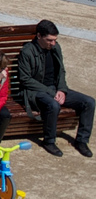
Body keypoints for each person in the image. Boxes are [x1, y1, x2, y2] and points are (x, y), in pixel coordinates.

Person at [17, 19, 92, 157]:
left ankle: (81, 141)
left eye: (55, 40)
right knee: (53, 105)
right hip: (36, 91)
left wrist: (62, 90)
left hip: (55, 89)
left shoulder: (56, 48)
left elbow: (61, 71)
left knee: (89, 102)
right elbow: (25, 79)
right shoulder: (27, 52)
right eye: (49, 40)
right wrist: (52, 93)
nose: (53, 43)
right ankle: (49, 141)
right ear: (39, 36)